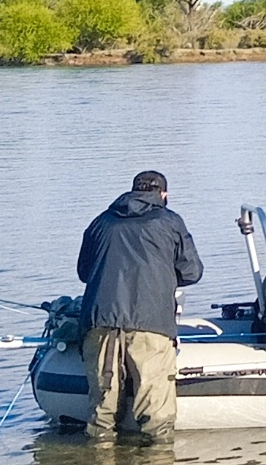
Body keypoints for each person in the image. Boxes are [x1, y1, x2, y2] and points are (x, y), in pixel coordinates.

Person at [76, 169, 203, 443]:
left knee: (101, 415)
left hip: (100, 322)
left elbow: (85, 272)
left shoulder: (100, 222)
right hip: (150, 323)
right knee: (156, 416)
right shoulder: (170, 222)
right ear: (163, 194)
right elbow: (192, 272)